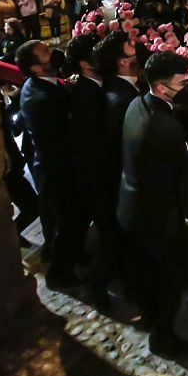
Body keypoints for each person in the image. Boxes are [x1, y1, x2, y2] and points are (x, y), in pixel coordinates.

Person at [118, 51, 188, 359]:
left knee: (149, 273)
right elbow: (182, 174)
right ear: (163, 88)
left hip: (131, 203)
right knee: (168, 280)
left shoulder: (137, 104)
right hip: (156, 214)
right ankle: (163, 337)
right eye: (183, 81)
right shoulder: (166, 129)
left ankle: (151, 315)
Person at [15, 40, 85, 289]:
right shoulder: (44, 99)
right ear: (36, 67)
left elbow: (60, 91)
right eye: (45, 52)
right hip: (58, 169)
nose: (53, 52)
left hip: (46, 166)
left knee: (55, 219)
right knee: (66, 223)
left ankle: (59, 255)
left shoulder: (37, 86)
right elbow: (66, 127)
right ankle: (59, 274)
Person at [93, 32, 144, 300]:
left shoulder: (122, 87)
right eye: (131, 49)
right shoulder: (121, 98)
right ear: (121, 63)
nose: (137, 49)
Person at [64, 34, 109, 302]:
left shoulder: (90, 87)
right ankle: (98, 283)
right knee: (109, 232)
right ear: (84, 63)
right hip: (94, 173)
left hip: (96, 171)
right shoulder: (85, 95)